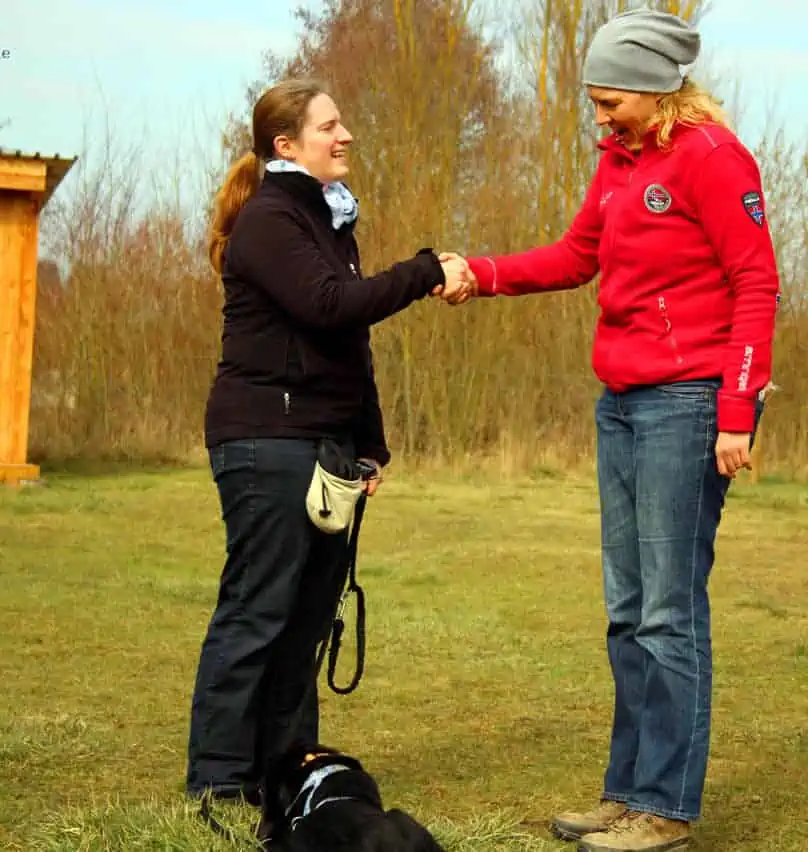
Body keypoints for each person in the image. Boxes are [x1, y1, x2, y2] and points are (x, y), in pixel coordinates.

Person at [458, 9, 780, 852]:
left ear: (655, 87)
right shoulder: (619, 160)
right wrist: (480, 274)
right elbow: (574, 257)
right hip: (622, 402)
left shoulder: (714, 159)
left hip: (688, 405)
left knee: (670, 613)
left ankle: (667, 810)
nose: (599, 116)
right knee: (627, 609)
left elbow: (757, 283)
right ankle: (628, 792)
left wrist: (737, 410)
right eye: (596, 104)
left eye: (610, 102)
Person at [186, 78, 471, 806]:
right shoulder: (270, 219)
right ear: (286, 146)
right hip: (266, 438)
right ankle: (218, 781)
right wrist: (424, 270)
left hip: (321, 444)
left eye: (343, 123)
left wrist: (368, 444)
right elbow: (329, 305)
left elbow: (348, 342)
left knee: (308, 616)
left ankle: (283, 774)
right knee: (258, 609)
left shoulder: (327, 222)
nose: (345, 136)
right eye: (329, 126)